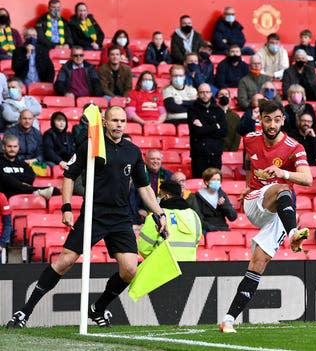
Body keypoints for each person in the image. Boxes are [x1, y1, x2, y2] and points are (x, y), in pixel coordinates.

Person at [6, 106, 168, 329]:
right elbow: (69, 176)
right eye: (115, 120)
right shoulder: (90, 146)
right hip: (94, 214)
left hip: (120, 217)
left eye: (122, 120)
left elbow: (144, 188)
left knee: (130, 269)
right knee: (65, 261)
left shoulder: (133, 151)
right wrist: (66, 207)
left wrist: (159, 213)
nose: (119, 124)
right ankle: (24, 312)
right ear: (105, 122)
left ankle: (98, 309)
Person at [219, 100, 312, 334]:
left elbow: (308, 179)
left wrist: (283, 172)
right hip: (256, 202)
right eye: (267, 119)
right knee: (282, 188)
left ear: (283, 120)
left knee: (258, 262)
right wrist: (248, 187)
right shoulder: (249, 139)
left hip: (279, 210)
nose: (272, 124)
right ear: (260, 119)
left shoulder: (294, 147)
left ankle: (228, 319)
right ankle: (293, 234)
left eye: (277, 119)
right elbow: (251, 166)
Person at [188, 83, 227, 177]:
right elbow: (196, 131)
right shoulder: (192, 109)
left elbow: (223, 132)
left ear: (211, 93)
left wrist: (203, 127)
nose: (205, 94)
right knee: (198, 182)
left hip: (215, 154)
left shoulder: (219, 110)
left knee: (216, 182)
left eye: (207, 92)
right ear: (198, 94)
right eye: (202, 92)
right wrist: (214, 126)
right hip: (199, 155)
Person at [187, 167, 237, 232]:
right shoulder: (197, 196)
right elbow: (199, 219)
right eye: (213, 180)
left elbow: (233, 217)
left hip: (223, 229)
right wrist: (214, 230)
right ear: (206, 182)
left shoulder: (222, 194)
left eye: (218, 180)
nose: (216, 182)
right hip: (206, 230)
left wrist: (224, 205)